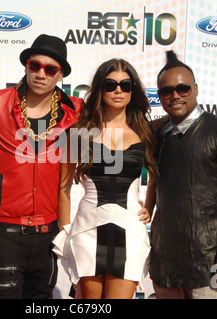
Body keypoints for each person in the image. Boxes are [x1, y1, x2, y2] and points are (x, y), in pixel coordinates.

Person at [0, 34, 84, 299]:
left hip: (48, 233)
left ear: (60, 75)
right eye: (35, 65)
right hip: (4, 232)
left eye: (50, 69)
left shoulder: (75, 112)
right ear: (26, 66)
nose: (41, 74)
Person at [146, 50, 217, 299]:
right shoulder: (158, 135)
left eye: (182, 89)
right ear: (160, 96)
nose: (175, 96)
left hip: (208, 263)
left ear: (195, 89)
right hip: (165, 262)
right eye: (166, 91)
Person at [52, 58, 156, 299]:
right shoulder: (79, 131)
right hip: (88, 228)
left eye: (125, 85)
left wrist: (149, 206)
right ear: (99, 89)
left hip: (130, 230)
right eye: (110, 84)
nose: (118, 90)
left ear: (133, 90)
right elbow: (64, 188)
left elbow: (156, 178)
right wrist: (66, 230)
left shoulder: (146, 132)